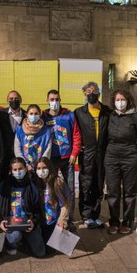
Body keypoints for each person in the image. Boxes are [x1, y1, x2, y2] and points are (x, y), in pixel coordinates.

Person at [74, 82, 111, 229]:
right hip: (86, 154)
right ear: (84, 94)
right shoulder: (78, 113)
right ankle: (86, 215)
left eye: (94, 91)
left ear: (99, 93)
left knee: (99, 184)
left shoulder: (107, 111)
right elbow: (74, 133)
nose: (91, 94)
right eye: (88, 91)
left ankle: (96, 214)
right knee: (86, 184)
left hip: (102, 153)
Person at [104, 89, 137, 235]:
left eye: (123, 99)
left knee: (129, 191)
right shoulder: (110, 116)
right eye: (117, 100)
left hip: (130, 154)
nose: (120, 102)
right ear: (114, 102)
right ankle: (113, 222)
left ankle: (127, 222)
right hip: (112, 155)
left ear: (128, 100)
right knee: (113, 191)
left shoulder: (136, 116)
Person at [41, 89, 81, 222]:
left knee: (69, 190)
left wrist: (74, 153)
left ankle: (69, 219)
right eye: (52, 100)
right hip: (50, 160)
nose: (54, 102)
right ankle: (53, 217)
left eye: (57, 99)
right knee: (50, 189)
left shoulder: (69, 115)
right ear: (47, 101)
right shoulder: (43, 116)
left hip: (67, 159)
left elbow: (76, 135)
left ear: (60, 100)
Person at [0, 157, 45, 257]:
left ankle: (24, 241)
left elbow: (38, 211)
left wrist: (33, 222)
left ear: (26, 169)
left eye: (20, 169)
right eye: (15, 169)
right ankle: (10, 244)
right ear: (10, 171)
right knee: (14, 236)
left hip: (27, 222)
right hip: (11, 224)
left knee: (40, 253)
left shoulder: (32, 187)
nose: (18, 172)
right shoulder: (3, 187)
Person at [34, 157, 70, 253]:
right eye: (38, 168)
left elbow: (65, 205)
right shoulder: (34, 183)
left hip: (54, 222)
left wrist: (62, 220)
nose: (41, 171)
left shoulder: (57, 182)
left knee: (51, 250)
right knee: (40, 250)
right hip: (40, 223)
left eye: (44, 167)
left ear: (50, 168)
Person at [0, 90, 27, 182]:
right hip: (5, 153)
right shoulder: (0, 114)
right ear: (7, 101)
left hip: (21, 152)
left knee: (20, 178)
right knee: (4, 179)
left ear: (21, 100)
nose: (14, 101)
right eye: (11, 99)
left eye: (16, 98)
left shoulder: (26, 115)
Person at [14, 104, 52, 171]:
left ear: (40, 114)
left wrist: (41, 164)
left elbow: (48, 149)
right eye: (31, 113)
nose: (33, 116)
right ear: (27, 114)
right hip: (24, 167)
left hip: (41, 167)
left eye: (36, 113)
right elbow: (17, 149)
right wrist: (25, 164)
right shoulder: (20, 130)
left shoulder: (46, 131)